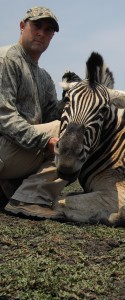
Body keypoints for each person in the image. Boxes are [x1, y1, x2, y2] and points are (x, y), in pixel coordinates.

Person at [0, 6, 68, 218]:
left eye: (48, 30)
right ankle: (27, 198)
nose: (41, 32)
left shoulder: (45, 77)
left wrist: (74, 97)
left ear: (52, 37)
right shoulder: (7, 60)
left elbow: (51, 116)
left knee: (72, 128)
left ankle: (21, 192)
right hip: (4, 148)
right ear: (22, 26)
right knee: (67, 132)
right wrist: (45, 142)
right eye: (37, 25)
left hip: (17, 152)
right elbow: (4, 118)